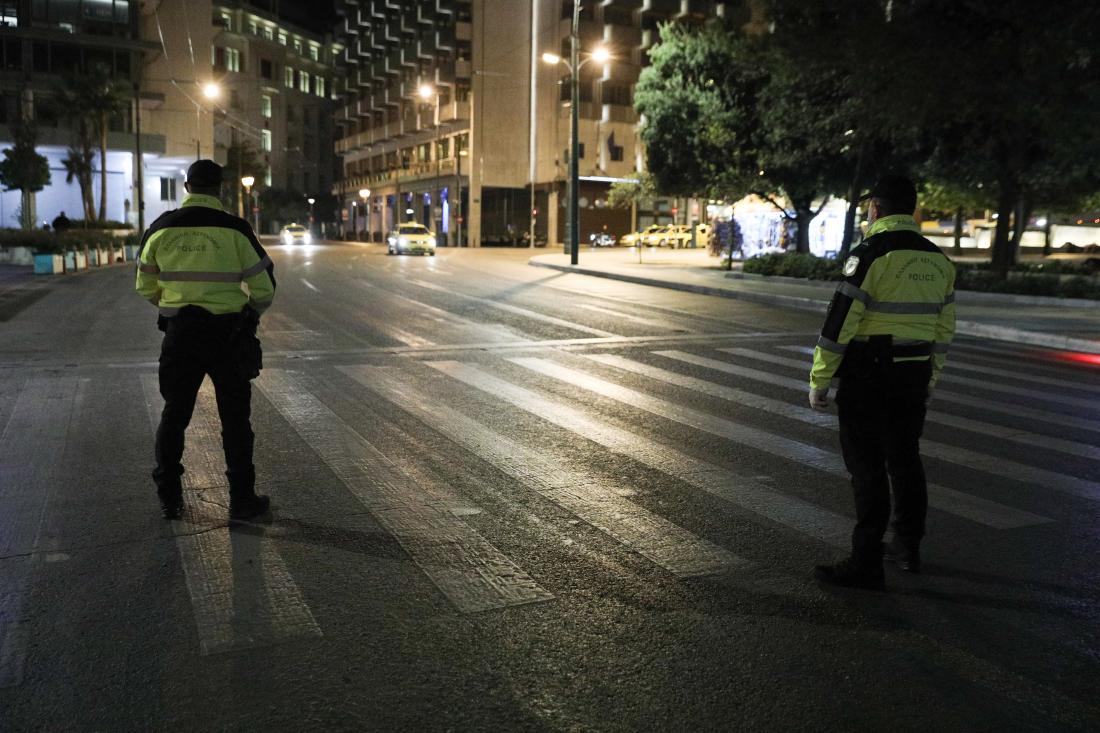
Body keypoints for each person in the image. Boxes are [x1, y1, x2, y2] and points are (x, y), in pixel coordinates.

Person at [808, 174, 956, 590]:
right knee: (905, 458)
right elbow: (943, 330)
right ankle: (908, 546)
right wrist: (931, 378)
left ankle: (866, 562)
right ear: (912, 209)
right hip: (914, 373)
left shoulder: (870, 255)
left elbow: (840, 323)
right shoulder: (939, 261)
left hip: (869, 374)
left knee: (867, 466)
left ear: (875, 208)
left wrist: (820, 378)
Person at [135, 160, 276, 520]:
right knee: (236, 420)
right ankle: (242, 500)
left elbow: (144, 285)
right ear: (220, 189)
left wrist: (172, 308)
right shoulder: (235, 230)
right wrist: (249, 315)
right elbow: (264, 287)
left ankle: (169, 498)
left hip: (180, 336)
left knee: (174, 415)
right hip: (228, 337)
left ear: (187, 187)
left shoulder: (160, 228)